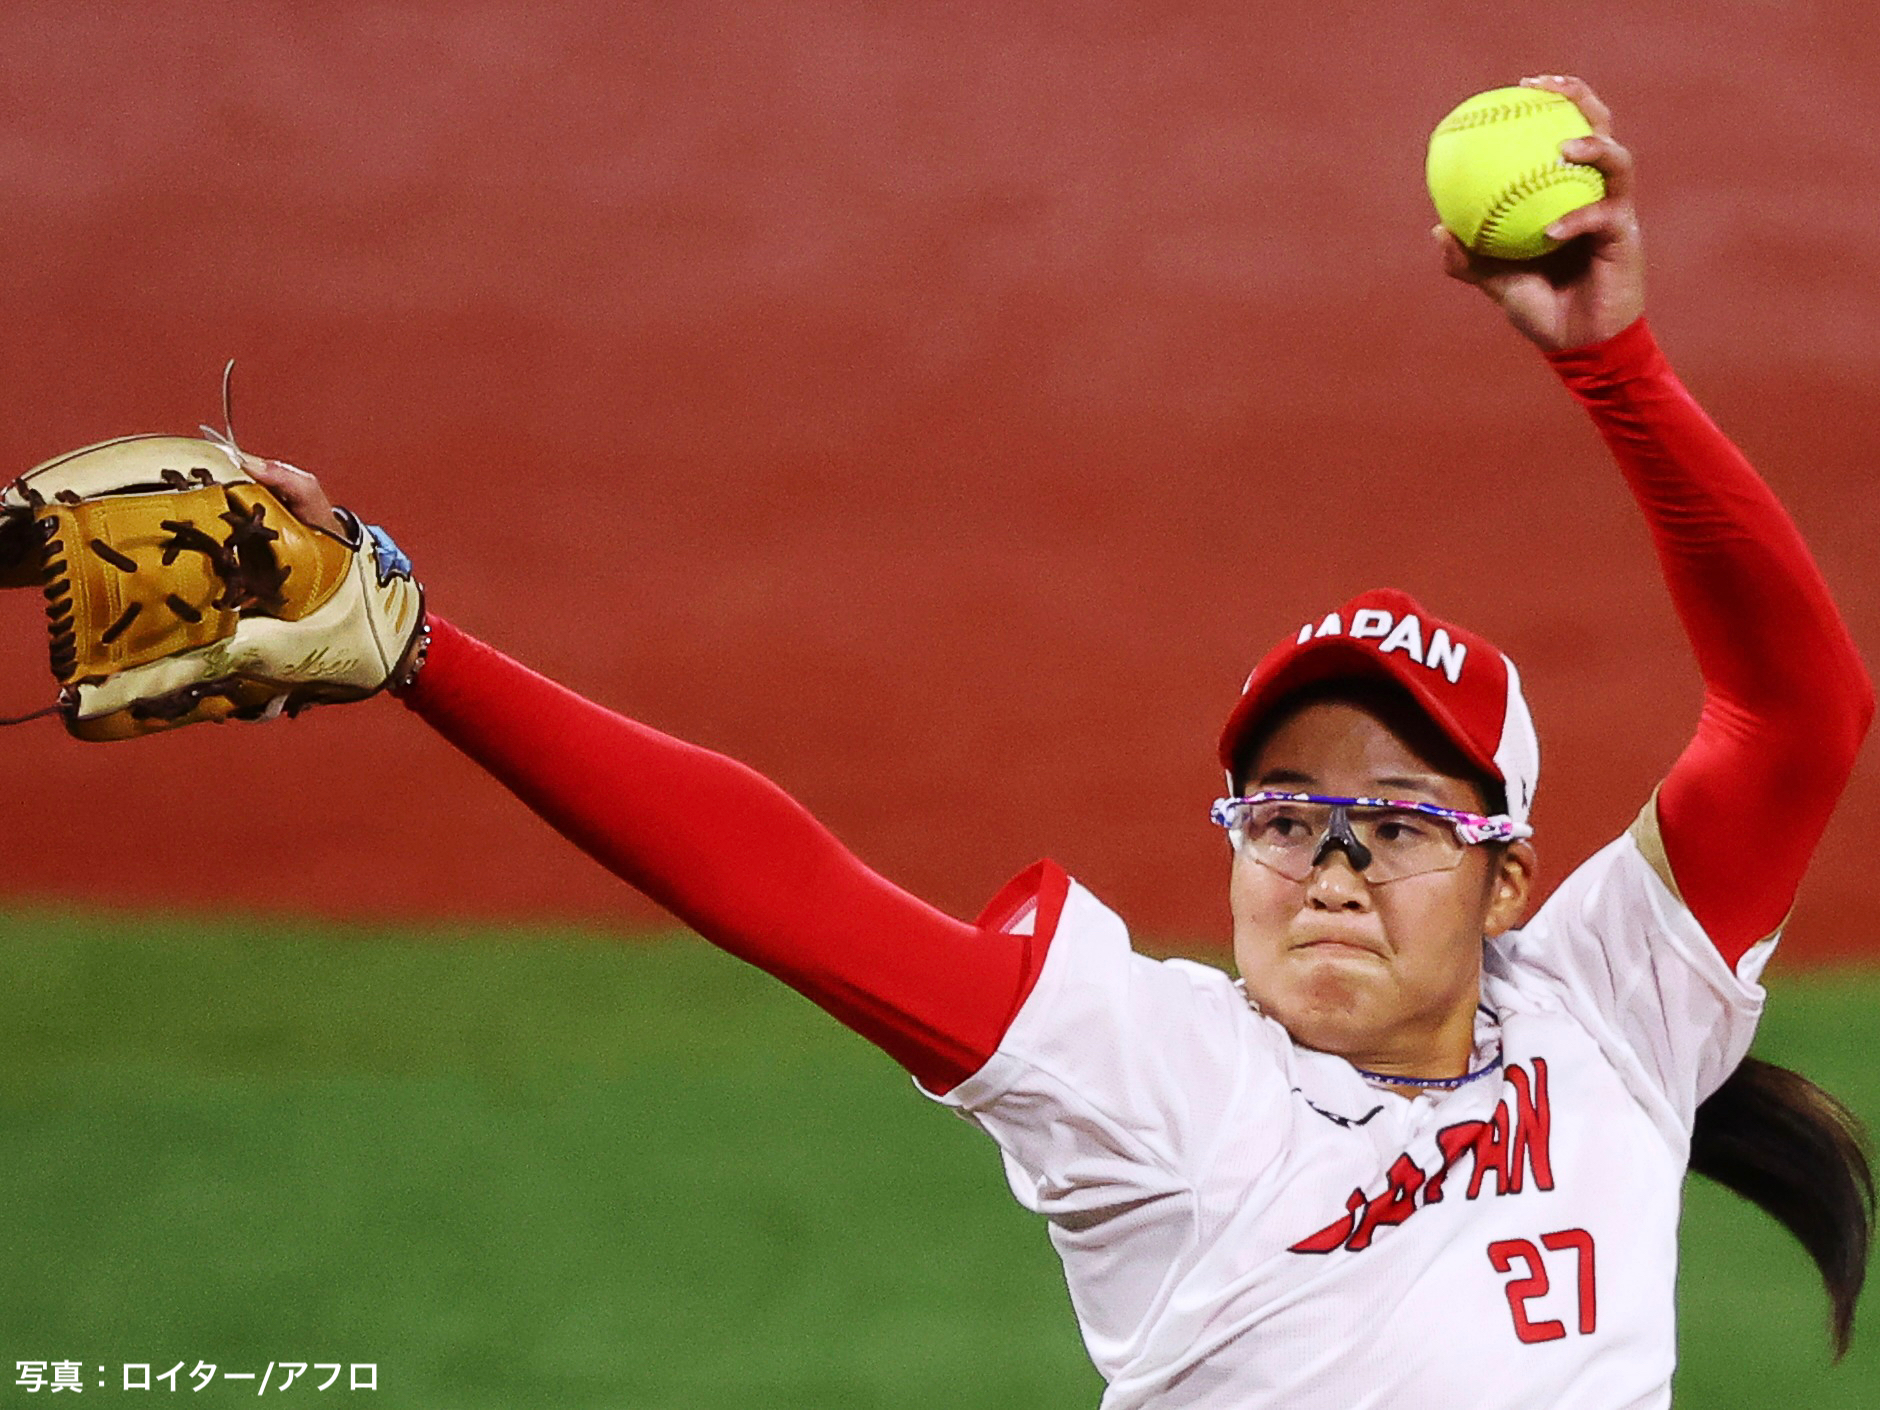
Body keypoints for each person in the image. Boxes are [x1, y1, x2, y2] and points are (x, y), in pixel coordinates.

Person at [242, 76, 1872, 1408]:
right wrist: (421, 652)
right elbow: (791, 892)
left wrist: (1613, 366)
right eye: (1284, 813)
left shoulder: (1610, 1016)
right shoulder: (1165, 1083)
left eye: (1397, 820)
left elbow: (1799, 712)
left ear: (1511, 879)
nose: (1332, 862)